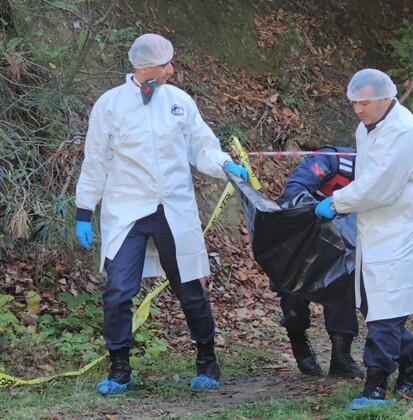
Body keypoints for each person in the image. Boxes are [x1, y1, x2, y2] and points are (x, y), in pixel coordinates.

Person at [74, 33, 248, 395]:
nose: (171, 68)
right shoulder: (109, 106)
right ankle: (119, 368)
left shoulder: (180, 102)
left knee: (190, 288)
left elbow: (203, 147)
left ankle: (206, 360)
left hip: (173, 207)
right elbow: (96, 161)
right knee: (119, 291)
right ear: (143, 67)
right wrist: (84, 209)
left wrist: (227, 166)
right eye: (164, 63)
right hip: (127, 211)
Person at [313, 69, 413, 409]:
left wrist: (337, 203)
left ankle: (376, 386)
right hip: (376, 228)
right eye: (353, 104)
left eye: (364, 103)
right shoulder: (367, 128)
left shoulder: (404, 133)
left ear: (386, 98)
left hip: (403, 231)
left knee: (385, 310)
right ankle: (412, 358)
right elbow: (367, 177)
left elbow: (380, 188)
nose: (358, 110)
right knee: (374, 305)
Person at [274, 146, 363, 379]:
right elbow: (294, 187)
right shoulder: (330, 160)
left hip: (341, 241)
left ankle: (341, 356)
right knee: (291, 290)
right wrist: (315, 208)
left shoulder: (380, 173)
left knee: (342, 285)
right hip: (300, 233)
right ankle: (298, 341)